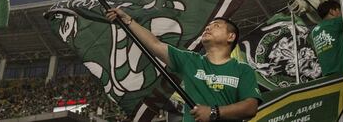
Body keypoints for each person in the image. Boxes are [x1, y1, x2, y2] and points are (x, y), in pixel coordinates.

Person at [106, 8, 262, 122]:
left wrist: (213, 112)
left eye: (217, 25)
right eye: (208, 26)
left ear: (231, 37)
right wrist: (129, 21)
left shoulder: (243, 69)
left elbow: (250, 107)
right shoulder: (190, 61)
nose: (208, 27)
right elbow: (155, 44)